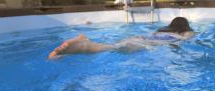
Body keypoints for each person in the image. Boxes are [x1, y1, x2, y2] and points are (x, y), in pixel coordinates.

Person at [48, 17, 195, 59]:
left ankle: (71, 50)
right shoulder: (183, 33)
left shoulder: (160, 30)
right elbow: (189, 38)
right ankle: (84, 45)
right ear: (185, 27)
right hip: (148, 42)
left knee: (113, 46)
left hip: (139, 37)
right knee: (111, 49)